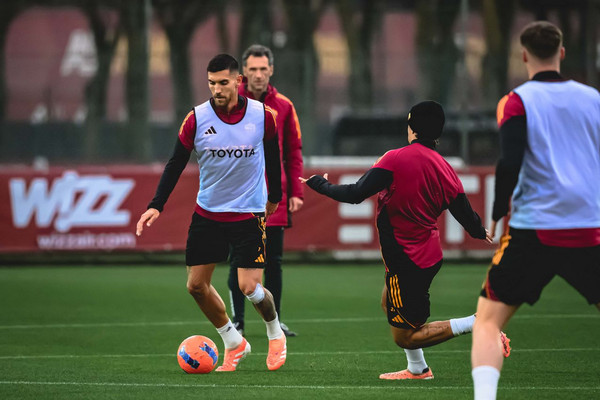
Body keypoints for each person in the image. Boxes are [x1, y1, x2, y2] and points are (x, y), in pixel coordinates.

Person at [301, 100, 507, 380]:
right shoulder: (445, 168)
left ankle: (479, 323)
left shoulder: (395, 159)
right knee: (388, 301)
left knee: (406, 336)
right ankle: (418, 369)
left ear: (411, 128)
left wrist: (320, 184)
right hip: (425, 255)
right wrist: (478, 230)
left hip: (407, 260)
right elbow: (464, 212)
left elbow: (355, 194)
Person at [471, 21, 600, 399]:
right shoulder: (593, 99)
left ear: (524, 55)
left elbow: (509, 160)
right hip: (590, 228)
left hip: (534, 230)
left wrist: (498, 209)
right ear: (561, 53)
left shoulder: (516, 101)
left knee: (488, 322)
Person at [136, 54, 288, 372]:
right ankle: (233, 341)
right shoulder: (196, 119)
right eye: (211, 83)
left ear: (238, 81)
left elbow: (274, 158)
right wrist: (156, 204)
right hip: (208, 213)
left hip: (248, 213)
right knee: (195, 286)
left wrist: (275, 197)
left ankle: (275, 334)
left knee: (249, 287)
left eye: (223, 82)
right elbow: (175, 163)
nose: (217, 89)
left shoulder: (263, 116)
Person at [227, 44, 304, 338]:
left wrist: (295, 191)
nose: (258, 74)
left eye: (263, 69)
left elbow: (293, 151)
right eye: (253, 69)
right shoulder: (230, 101)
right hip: (239, 196)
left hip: (273, 196)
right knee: (238, 261)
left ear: (271, 70)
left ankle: (275, 321)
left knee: (274, 263)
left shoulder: (284, 106)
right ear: (244, 72)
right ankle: (238, 321)